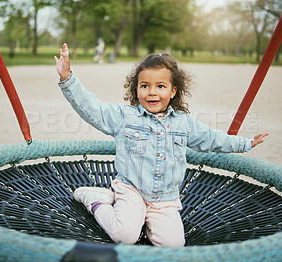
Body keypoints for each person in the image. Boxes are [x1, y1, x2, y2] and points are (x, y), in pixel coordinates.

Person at [54, 43, 268, 247]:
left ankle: (146, 223)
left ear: (173, 91)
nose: (152, 92)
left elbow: (211, 138)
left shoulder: (183, 123)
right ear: (136, 89)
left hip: (165, 199)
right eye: (145, 86)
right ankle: (96, 201)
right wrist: (67, 78)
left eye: (160, 86)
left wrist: (245, 143)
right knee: (124, 235)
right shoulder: (125, 118)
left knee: (173, 245)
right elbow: (93, 110)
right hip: (132, 190)